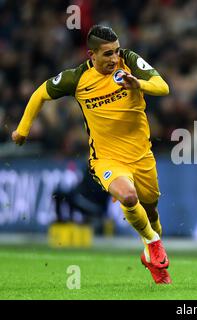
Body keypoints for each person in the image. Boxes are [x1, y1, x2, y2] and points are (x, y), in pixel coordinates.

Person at [12, 25, 172, 284]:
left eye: (116, 51)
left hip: (142, 156)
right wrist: (22, 130)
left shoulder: (130, 61)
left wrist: (137, 82)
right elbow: (41, 93)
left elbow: (162, 87)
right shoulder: (76, 78)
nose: (114, 58)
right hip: (106, 159)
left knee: (151, 212)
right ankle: (153, 244)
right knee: (128, 197)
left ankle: (149, 251)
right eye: (107, 54)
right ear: (92, 55)